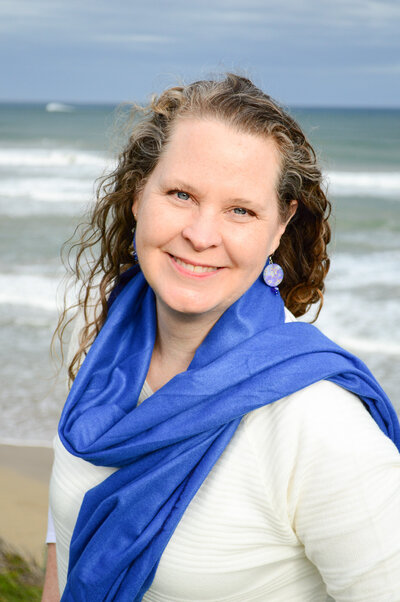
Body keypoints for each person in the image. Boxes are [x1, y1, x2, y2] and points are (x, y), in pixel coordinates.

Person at [42, 73, 400, 602]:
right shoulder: (108, 357)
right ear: (140, 194)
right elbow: (66, 547)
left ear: (279, 226)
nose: (202, 235)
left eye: (241, 210)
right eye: (182, 194)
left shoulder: (317, 423)